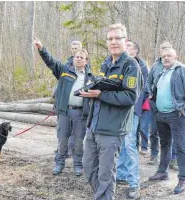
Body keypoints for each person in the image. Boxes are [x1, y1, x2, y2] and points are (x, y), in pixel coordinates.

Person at [81, 23, 142, 200]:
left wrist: (100, 94)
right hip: (94, 126)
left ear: (125, 41)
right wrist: (89, 92)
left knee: (106, 175)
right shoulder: (106, 63)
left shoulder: (131, 65)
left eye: (117, 38)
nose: (113, 42)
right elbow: (101, 88)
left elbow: (130, 97)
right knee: (88, 166)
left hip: (112, 130)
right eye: (110, 39)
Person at [34, 36, 92, 176]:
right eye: (76, 56)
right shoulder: (64, 70)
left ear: (86, 61)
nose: (78, 58)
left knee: (78, 142)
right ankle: (59, 163)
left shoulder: (90, 77)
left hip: (80, 114)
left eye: (81, 57)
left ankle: (78, 165)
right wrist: (42, 49)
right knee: (62, 140)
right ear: (73, 58)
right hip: (65, 112)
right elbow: (50, 61)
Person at [148, 47, 185, 194]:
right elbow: (152, 89)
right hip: (161, 115)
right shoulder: (161, 71)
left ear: (176, 56)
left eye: (169, 56)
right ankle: (162, 172)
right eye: (163, 56)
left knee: (180, 146)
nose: (166, 58)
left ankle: (183, 179)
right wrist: (153, 104)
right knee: (165, 144)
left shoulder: (184, 70)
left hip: (177, 115)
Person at [116, 40, 148, 199]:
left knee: (129, 144)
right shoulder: (119, 63)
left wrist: (137, 107)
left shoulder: (140, 66)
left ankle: (134, 183)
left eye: (129, 46)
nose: (126, 48)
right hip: (118, 110)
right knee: (121, 143)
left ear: (135, 51)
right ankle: (121, 175)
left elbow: (145, 90)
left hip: (132, 110)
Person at [147, 42, 177, 167]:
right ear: (160, 52)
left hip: (172, 107)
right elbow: (148, 82)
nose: (165, 53)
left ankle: (173, 158)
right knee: (154, 131)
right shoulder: (155, 66)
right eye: (163, 49)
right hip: (155, 104)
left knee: (173, 134)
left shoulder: (177, 68)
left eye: (167, 50)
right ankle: (154, 154)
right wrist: (150, 93)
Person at [52, 40, 83, 158]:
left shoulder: (84, 63)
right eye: (73, 48)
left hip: (77, 103)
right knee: (62, 129)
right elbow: (61, 82)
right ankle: (61, 150)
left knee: (75, 130)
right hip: (63, 102)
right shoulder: (67, 64)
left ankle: (71, 150)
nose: (74, 50)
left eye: (77, 48)